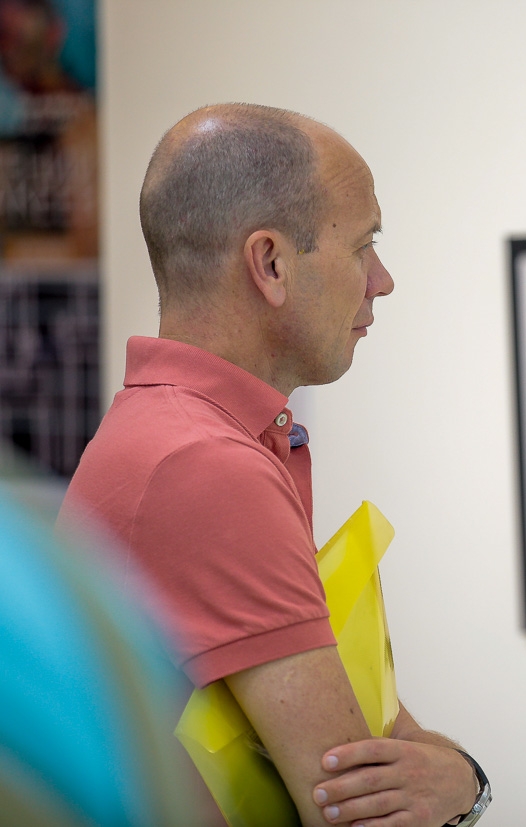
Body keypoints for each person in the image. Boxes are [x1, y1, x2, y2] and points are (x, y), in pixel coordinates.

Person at [57, 104, 488, 827]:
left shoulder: (177, 435)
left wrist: (452, 779)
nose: (382, 280)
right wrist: (468, 781)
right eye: (364, 245)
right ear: (271, 264)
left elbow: (385, 750)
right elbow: (358, 806)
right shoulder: (204, 466)